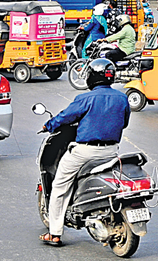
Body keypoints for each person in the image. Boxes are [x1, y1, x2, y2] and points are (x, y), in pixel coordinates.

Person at [39, 59, 131, 248]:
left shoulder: (85, 98)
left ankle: (54, 233)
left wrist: (48, 125)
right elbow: (125, 122)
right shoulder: (121, 98)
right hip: (111, 151)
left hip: (85, 152)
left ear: (91, 77)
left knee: (60, 185)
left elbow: (65, 117)